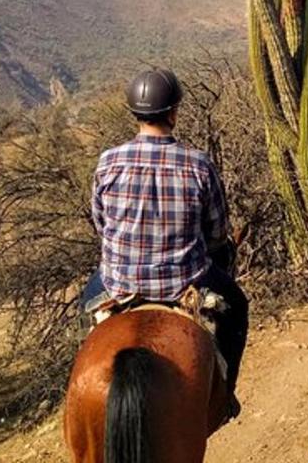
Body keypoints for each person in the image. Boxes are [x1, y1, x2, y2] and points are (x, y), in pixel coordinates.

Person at [82, 68, 248, 417]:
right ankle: (225, 395)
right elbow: (218, 232)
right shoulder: (198, 164)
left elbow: (100, 222)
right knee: (237, 306)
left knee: (84, 307)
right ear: (173, 111)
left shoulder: (108, 162)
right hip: (183, 282)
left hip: (118, 283)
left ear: (134, 112)